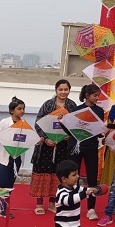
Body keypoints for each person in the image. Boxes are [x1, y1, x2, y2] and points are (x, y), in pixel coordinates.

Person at [31, 80, 78, 215]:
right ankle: (39, 203)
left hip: (63, 146)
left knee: (58, 174)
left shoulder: (72, 106)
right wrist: (46, 139)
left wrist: (70, 135)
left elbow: (75, 124)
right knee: (42, 172)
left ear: (69, 90)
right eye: (60, 89)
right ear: (56, 90)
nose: (63, 92)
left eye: (66, 89)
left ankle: (53, 202)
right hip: (46, 146)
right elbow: (38, 123)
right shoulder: (47, 105)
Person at [70, 83, 105, 221]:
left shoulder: (99, 111)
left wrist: (104, 131)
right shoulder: (76, 109)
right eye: (95, 95)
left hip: (91, 147)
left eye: (98, 95)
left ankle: (91, 208)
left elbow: (98, 130)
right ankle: (73, 205)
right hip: (76, 146)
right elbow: (71, 129)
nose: (97, 98)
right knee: (73, 177)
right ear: (87, 95)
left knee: (92, 177)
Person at [0, 96, 27, 218]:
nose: (22, 111)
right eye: (19, 109)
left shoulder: (24, 123)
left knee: (10, 184)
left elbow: (26, 138)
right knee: (3, 182)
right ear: (12, 110)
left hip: (17, 158)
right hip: (5, 157)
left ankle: (4, 206)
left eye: (23, 109)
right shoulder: (4, 122)